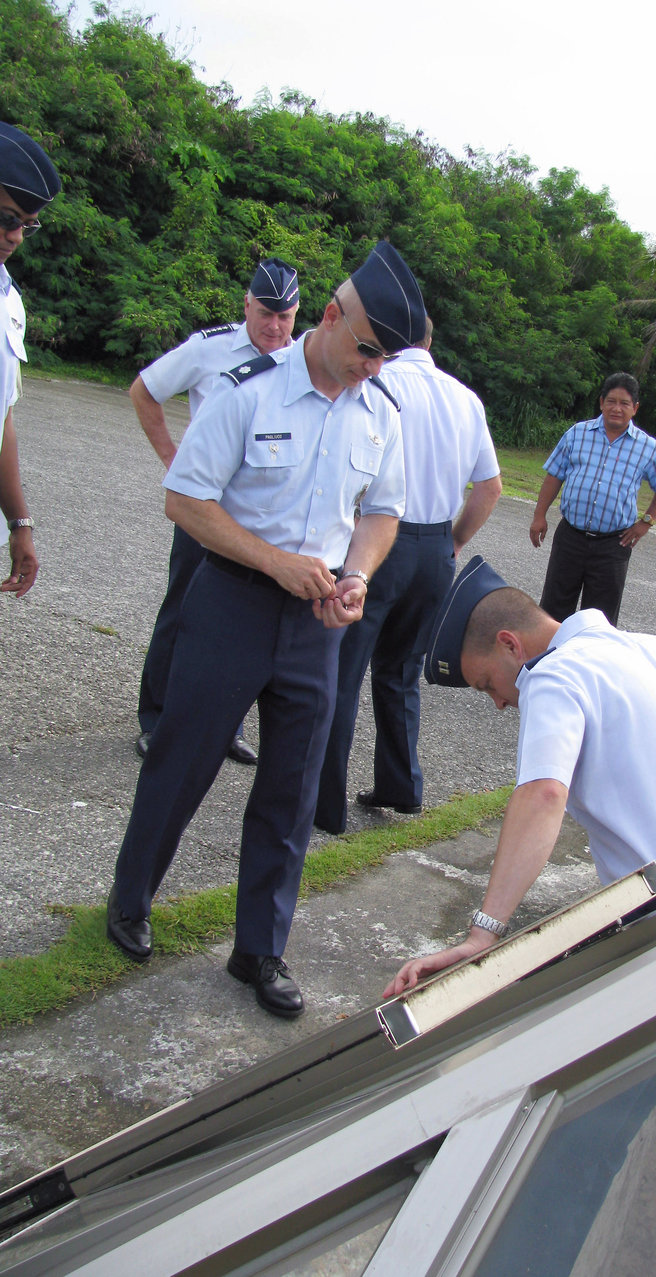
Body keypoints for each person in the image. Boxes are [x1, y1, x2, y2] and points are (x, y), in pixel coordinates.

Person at [107, 241, 427, 1019]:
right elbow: (186, 499)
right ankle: (131, 899)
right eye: (365, 350)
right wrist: (278, 563)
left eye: (385, 358)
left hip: (318, 623)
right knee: (184, 759)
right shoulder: (250, 390)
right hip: (234, 604)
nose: (371, 368)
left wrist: (356, 573)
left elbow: (382, 512)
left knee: (291, 786)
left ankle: (260, 947)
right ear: (329, 317)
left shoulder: (381, 412)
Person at [384, 555, 656, 995]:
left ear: (510, 645)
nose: (499, 703)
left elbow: (543, 795)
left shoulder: (553, 675)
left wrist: (482, 934)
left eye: (487, 684)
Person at [313, 317, 502, 833]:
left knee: (343, 672)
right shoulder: (465, 398)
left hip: (379, 541)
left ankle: (322, 802)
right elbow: (489, 487)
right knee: (400, 673)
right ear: (432, 340)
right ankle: (401, 787)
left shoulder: (375, 382)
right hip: (435, 545)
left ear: (391, 339)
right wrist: (454, 541)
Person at [131, 257, 301, 765]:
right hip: (204, 513)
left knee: (243, 626)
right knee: (182, 612)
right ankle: (157, 720)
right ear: (246, 304)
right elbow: (145, 390)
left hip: (262, 519)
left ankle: (224, 725)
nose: (274, 326)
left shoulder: (302, 361)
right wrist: (172, 459)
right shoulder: (212, 349)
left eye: (285, 316)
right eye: (265, 313)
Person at [530, 372, 656, 626]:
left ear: (635, 408)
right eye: (611, 401)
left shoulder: (648, 448)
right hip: (570, 538)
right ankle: (546, 662)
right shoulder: (577, 433)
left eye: (624, 403)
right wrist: (539, 515)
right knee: (553, 610)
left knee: (599, 621)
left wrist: (645, 522)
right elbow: (554, 475)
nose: (617, 408)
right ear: (601, 403)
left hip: (613, 546)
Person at [0, 123, 60, 600]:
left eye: (27, 224)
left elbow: (3, 417)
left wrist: (20, 522)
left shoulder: (9, 301)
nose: (16, 236)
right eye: (7, 217)